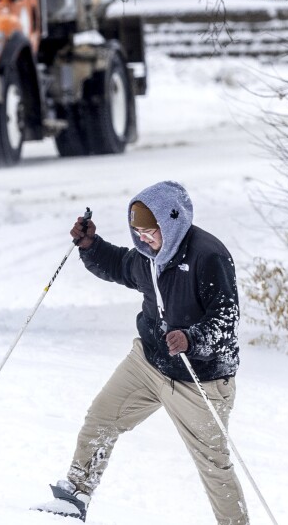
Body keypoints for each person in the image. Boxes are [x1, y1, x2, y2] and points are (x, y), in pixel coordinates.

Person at [36, 181, 247, 523]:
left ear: (172, 222)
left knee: (214, 466)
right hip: (149, 363)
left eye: (150, 232)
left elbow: (226, 322)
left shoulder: (209, 256)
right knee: (101, 419)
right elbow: (120, 265)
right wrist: (91, 245)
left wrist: (192, 339)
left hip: (201, 380)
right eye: (138, 232)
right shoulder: (149, 257)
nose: (144, 239)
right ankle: (73, 497)